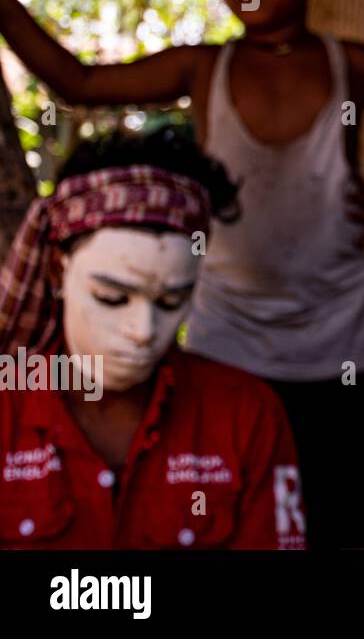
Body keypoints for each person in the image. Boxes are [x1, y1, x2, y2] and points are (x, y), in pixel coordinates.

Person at [0, 0, 364, 548]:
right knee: (229, 485)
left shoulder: (353, 67)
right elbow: (81, 85)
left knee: (338, 521)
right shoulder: (203, 67)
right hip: (229, 331)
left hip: (336, 334)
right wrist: (7, 6)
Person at [0, 127, 305, 549]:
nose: (142, 332)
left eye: (170, 301)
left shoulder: (247, 415)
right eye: (112, 297)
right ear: (57, 270)